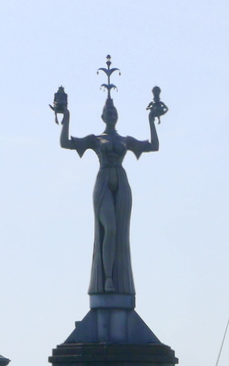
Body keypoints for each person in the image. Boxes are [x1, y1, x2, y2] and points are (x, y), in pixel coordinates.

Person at [58, 90, 162, 297]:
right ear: (103, 116)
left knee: (121, 232)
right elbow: (65, 143)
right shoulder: (95, 139)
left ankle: (120, 279)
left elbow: (154, 146)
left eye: (114, 112)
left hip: (121, 182)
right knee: (110, 229)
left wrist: (151, 119)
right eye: (108, 112)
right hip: (104, 180)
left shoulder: (125, 140)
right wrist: (66, 117)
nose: (112, 114)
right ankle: (106, 278)